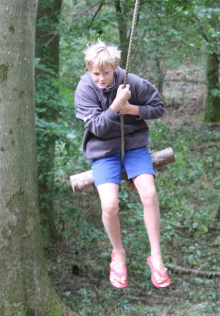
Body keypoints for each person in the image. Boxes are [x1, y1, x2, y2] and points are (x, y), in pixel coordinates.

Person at [74, 39, 170, 289]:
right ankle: (118, 253)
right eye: (96, 73)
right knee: (109, 206)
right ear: (88, 70)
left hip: (134, 147)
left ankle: (156, 256)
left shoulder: (132, 82)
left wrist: (132, 109)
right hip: (104, 151)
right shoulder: (85, 88)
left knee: (149, 194)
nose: (101, 79)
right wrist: (117, 106)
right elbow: (96, 127)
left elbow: (158, 108)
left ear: (116, 67)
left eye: (106, 73)